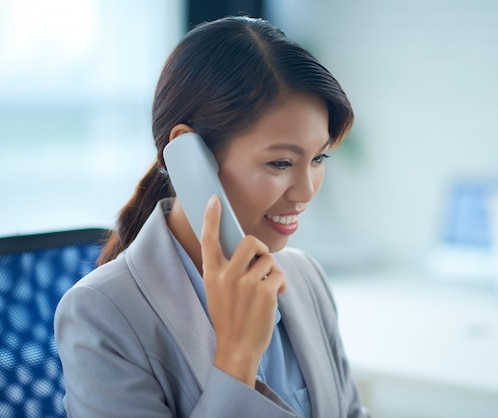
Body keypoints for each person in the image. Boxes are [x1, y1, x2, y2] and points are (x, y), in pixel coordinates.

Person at [54, 16, 370, 418]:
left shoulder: (305, 278)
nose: (306, 191)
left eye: (319, 158)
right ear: (191, 156)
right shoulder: (101, 314)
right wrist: (237, 358)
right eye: (280, 162)